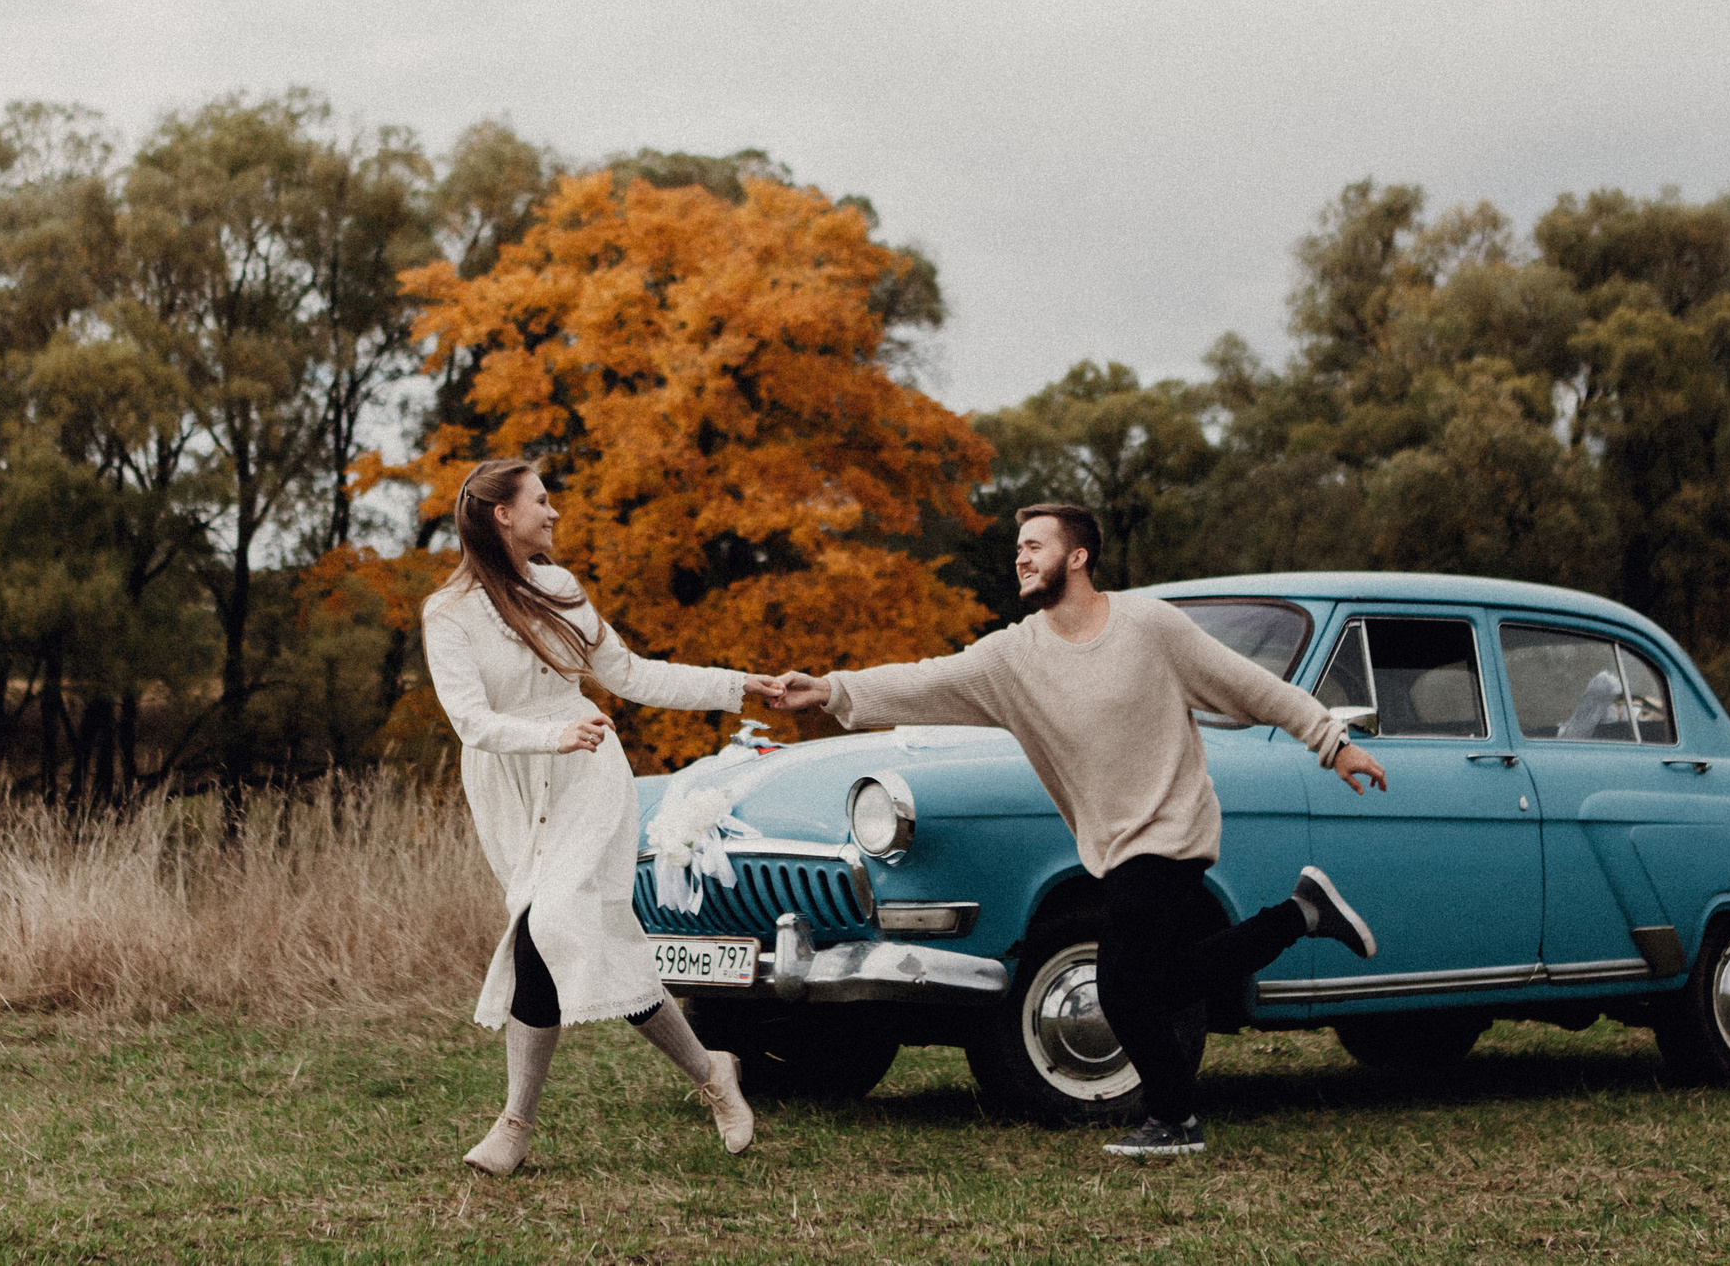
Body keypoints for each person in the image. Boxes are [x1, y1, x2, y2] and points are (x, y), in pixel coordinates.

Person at [764, 501, 1389, 1158]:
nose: (1022, 557)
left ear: (1079, 556)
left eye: (1035, 545)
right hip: (1112, 843)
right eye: (1018, 548)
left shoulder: (1147, 626)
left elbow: (1248, 685)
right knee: (1161, 980)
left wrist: (1331, 739)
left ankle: (1174, 1118)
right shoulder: (1014, 656)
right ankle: (1300, 913)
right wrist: (830, 690)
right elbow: (927, 680)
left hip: (1172, 825)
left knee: (1120, 985)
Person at [423, 457, 787, 1176]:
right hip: (514, 789)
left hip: (587, 774)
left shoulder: (559, 589)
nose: (553, 512)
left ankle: (515, 1123)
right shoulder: (449, 613)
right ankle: (713, 1071)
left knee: (549, 921)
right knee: (574, 934)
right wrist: (545, 734)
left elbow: (632, 674)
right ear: (502, 514)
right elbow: (470, 721)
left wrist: (739, 685)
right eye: (541, 500)